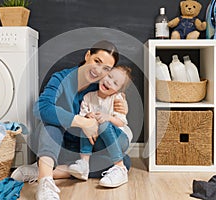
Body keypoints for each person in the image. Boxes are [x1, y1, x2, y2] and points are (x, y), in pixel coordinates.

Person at [11, 40, 131, 200]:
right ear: (88, 55)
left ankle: (50, 170)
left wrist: (123, 104)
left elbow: (117, 95)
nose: (98, 71)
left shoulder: (102, 86)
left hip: (85, 149)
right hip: (59, 144)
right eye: (97, 61)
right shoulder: (62, 78)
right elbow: (41, 108)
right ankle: (45, 180)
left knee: (125, 161)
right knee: (52, 121)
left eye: (106, 69)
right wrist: (82, 122)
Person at [68, 65, 133, 188]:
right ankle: (84, 164)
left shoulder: (116, 99)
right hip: (98, 143)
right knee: (86, 124)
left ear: (118, 90)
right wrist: (88, 116)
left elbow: (121, 122)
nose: (109, 82)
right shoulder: (88, 97)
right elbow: (81, 117)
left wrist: (108, 117)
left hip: (119, 139)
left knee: (103, 123)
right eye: (109, 76)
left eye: (115, 83)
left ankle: (120, 167)